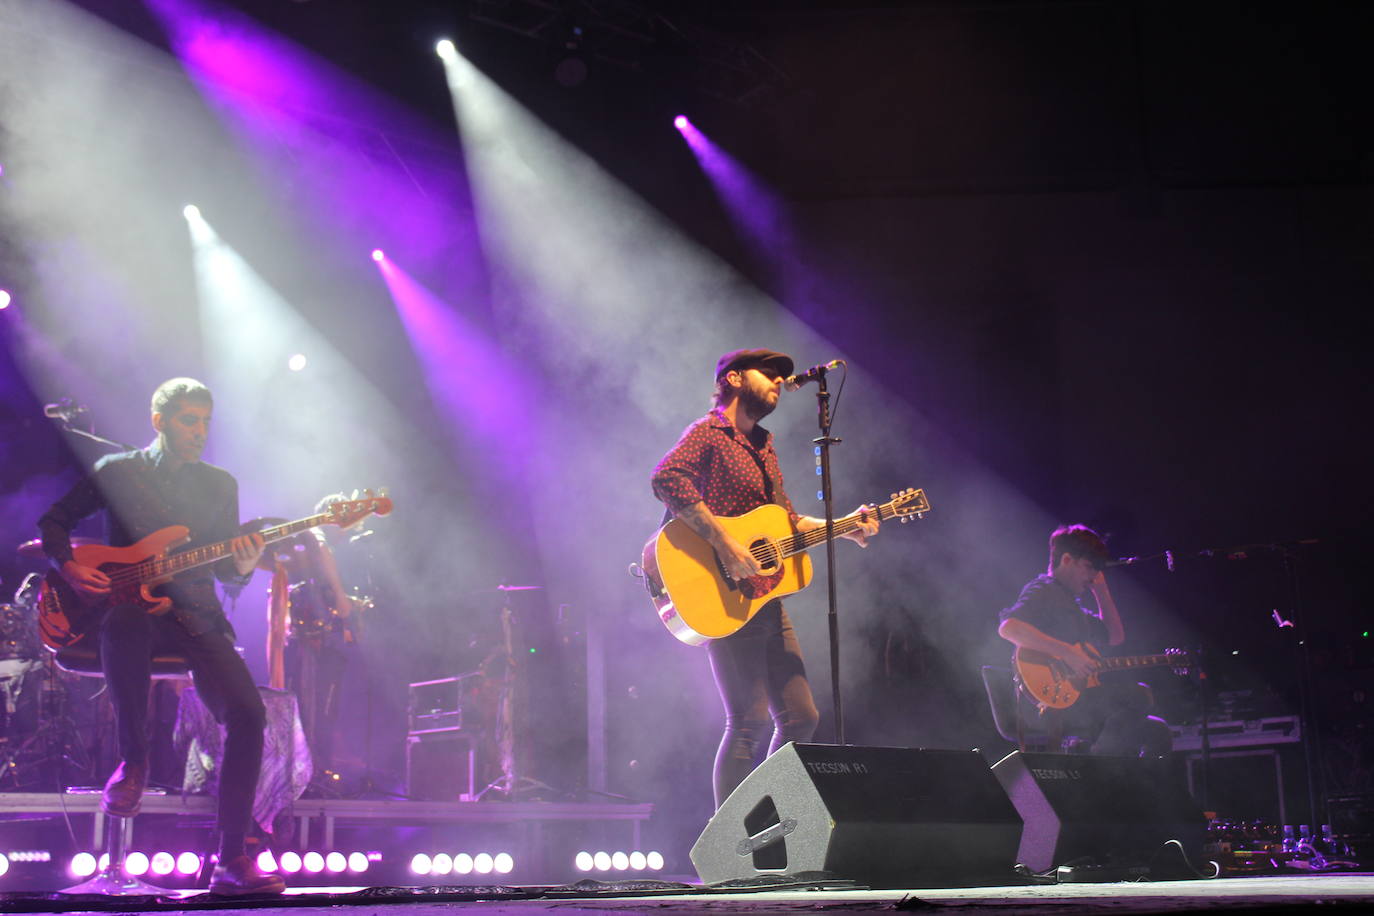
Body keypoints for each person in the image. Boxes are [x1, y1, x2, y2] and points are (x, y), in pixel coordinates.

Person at [37, 378, 285, 895]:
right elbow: (55, 521)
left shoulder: (219, 484)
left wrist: (241, 567)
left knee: (248, 713)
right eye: (188, 420)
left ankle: (231, 857)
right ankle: (135, 761)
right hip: (132, 613)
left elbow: (226, 573)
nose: (199, 431)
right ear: (160, 421)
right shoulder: (118, 471)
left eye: (204, 422)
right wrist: (70, 566)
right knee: (125, 620)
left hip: (195, 614)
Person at [651, 349, 879, 808]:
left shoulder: (763, 446)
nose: (779, 381)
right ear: (733, 378)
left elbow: (785, 524)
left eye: (782, 376)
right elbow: (667, 479)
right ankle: (728, 848)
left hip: (765, 600)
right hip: (722, 596)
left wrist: (845, 526)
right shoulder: (709, 433)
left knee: (801, 718)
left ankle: (762, 821)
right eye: (769, 373)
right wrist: (726, 545)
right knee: (749, 721)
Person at [997, 524, 1172, 757]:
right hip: (1049, 701)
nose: (1093, 576)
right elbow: (1009, 628)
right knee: (1138, 696)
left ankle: (1120, 774)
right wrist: (1068, 653)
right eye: (1089, 567)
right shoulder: (1043, 590)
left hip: (1078, 697)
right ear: (1067, 559)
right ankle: (1099, 765)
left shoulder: (1072, 605)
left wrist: (1101, 589)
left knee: (1158, 731)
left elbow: (1115, 636)